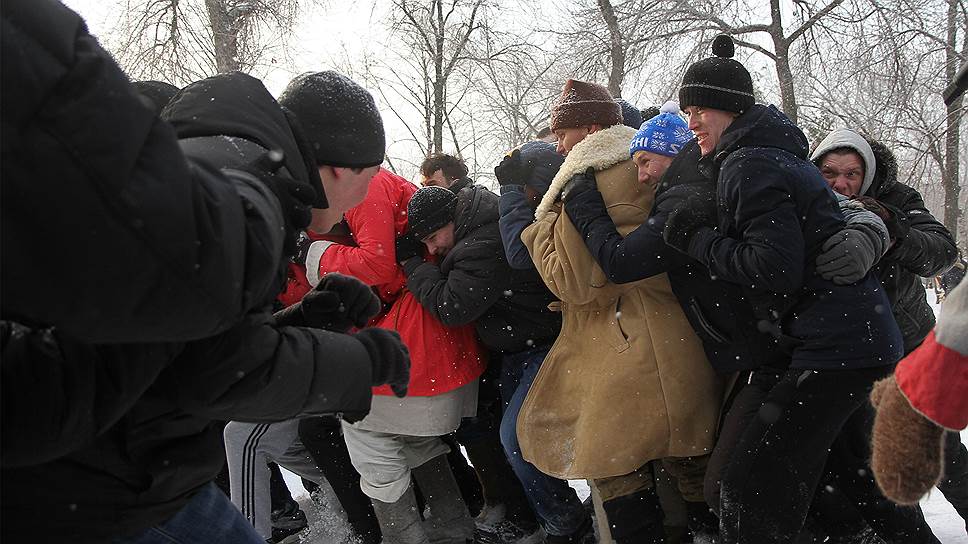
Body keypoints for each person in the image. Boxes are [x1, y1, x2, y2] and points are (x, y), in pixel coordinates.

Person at [1, 40, 409, 541]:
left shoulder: (227, 168)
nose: (362, 200)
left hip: (127, 463)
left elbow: (186, 340)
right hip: (96, 486)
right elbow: (210, 372)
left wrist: (306, 321)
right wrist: (358, 363)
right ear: (341, 170)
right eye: (369, 180)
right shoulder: (245, 196)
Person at [666, 34, 936, 543]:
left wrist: (698, 240)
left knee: (750, 491)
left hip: (836, 349)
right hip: (847, 343)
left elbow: (773, 268)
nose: (693, 122)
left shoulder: (750, 163)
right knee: (848, 474)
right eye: (687, 112)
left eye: (701, 109)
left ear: (730, 110)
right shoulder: (765, 155)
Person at [518, 78, 724, 544]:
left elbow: (577, 282)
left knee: (612, 467)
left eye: (563, 134)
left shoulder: (585, 181)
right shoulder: (651, 163)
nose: (557, 144)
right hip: (679, 337)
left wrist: (534, 229)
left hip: (622, 346)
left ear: (590, 128)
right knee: (691, 463)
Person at [809, 128, 966, 532]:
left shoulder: (897, 199)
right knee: (870, 459)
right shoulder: (806, 206)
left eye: (851, 174)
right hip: (850, 354)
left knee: (939, 449)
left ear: (869, 174)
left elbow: (941, 252)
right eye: (829, 172)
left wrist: (892, 227)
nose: (841, 183)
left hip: (911, 346)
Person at [397, 182, 562, 543]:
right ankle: (544, 517)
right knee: (503, 435)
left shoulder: (482, 244)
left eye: (433, 237)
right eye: (424, 243)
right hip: (519, 347)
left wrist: (412, 265)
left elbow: (451, 306)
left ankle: (565, 522)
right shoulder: (475, 230)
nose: (433, 248)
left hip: (541, 347)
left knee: (516, 439)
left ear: (451, 219)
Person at [493, 141, 596, 543]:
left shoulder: (562, 211)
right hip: (533, 341)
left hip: (559, 341)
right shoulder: (542, 209)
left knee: (517, 438)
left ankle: (569, 522)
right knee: (515, 440)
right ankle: (568, 519)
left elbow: (522, 253)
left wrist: (510, 193)